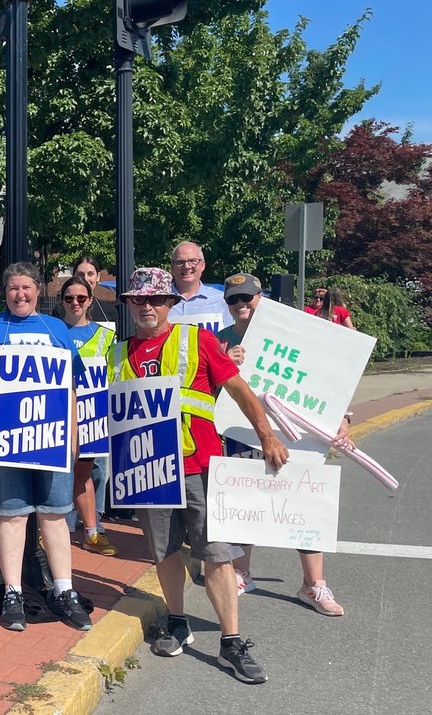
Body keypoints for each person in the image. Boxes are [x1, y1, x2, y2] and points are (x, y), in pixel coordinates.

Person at [110, 267, 289, 684]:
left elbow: (240, 390)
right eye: (139, 299)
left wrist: (267, 436)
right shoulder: (118, 354)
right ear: (130, 304)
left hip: (200, 467)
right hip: (148, 472)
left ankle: (231, 641)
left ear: (170, 302)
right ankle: (177, 623)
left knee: (218, 556)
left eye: (155, 299)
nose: (147, 306)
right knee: (165, 552)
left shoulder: (198, 340)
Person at [0, 262, 91, 633]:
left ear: (38, 290)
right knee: (12, 515)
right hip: (6, 440)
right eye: (13, 288)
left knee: (54, 514)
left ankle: (64, 590)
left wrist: (73, 433)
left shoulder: (56, 329)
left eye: (26, 287)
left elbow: (70, 386)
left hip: (51, 438)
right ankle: (13, 591)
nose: (20, 294)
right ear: (5, 292)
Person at [217, 273, 349, 616]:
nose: (241, 304)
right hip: (241, 432)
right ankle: (242, 572)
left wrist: (344, 417)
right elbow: (207, 392)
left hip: (296, 436)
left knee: (304, 507)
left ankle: (314, 585)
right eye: (234, 299)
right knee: (243, 502)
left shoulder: (297, 333)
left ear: (262, 297)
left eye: (247, 297)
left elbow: (329, 377)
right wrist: (226, 365)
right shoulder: (219, 342)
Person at [57, 275, 117, 557]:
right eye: (69, 298)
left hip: (91, 415)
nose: (75, 303)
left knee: (84, 472)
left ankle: (92, 532)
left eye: (81, 298)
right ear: (61, 301)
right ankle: (55, 530)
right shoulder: (52, 331)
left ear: (90, 301)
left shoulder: (107, 336)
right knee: (56, 474)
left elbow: (115, 377)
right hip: (58, 414)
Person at [168, 241, 231, 330]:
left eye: (193, 261)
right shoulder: (158, 301)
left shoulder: (222, 300)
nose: (186, 266)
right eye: (180, 262)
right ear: (172, 267)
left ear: (202, 265)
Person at [52, 256, 117, 322]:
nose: (85, 279)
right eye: (81, 274)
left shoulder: (109, 311)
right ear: (74, 276)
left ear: (98, 276)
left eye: (90, 274)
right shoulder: (60, 310)